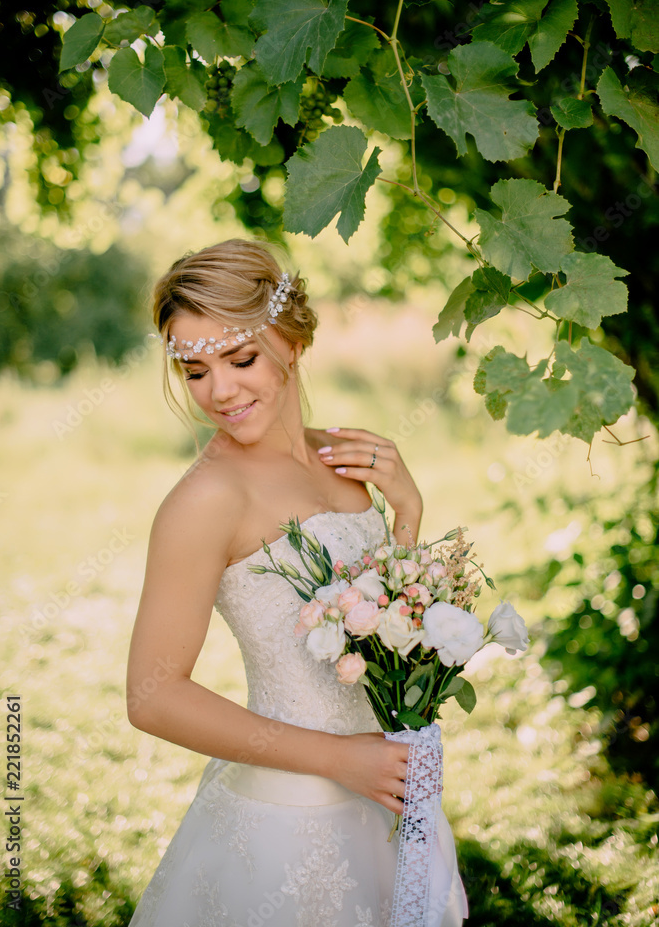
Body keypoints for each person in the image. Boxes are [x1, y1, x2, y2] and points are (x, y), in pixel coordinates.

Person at [126, 239, 467, 927]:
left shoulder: (340, 459)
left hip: (382, 798)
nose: (220, 391)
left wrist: (406, 511)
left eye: (240, 358)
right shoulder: (205, 500)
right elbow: (152, 696)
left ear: (293, 339)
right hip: (288, 820)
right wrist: (337, 759)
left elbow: (386, 631)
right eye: (195, 371)